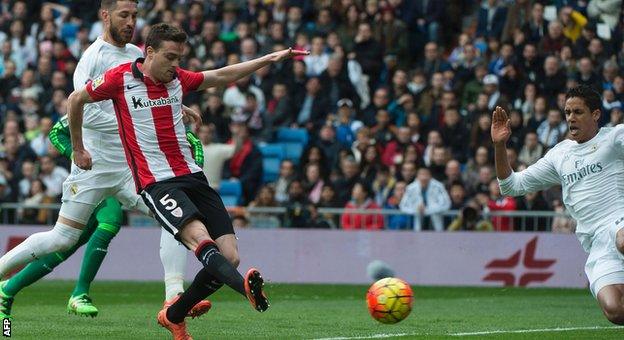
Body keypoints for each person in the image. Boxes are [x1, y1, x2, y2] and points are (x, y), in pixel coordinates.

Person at [67, 23, 307, 338]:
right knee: (200, 240)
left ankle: (175, 314)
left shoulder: (178, 79)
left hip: (193, 177)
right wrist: (78, 148)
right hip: (157, 183)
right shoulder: (119, 78)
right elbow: (75, 100)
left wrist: (269, 59)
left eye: (180, 57)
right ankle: (243, 288)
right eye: (170, 57)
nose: (176, 64)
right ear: (149, 52)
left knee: (230, 256)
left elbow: (222, 74)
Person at [0, 0, 210, 320]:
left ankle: (174, 297)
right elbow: (81, 106)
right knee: (63, 237)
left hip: (129, 168)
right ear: (105, 16)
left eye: (135, 16)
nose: (130, 22)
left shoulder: (137, 54)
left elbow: (146, 90)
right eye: (124, 15)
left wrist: (174, 108)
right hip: (93, 166)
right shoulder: (93, 58)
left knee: (175, 219)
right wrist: (81, 147)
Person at [491, 85, 624, 325]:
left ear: (595, 114)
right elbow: (510, 186)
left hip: (620, 221)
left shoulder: (614, 138)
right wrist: (500, 146)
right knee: (615, 311)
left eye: (578, 112)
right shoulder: (560, 155)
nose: (571, 117)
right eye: (567, 112)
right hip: (597, 242)